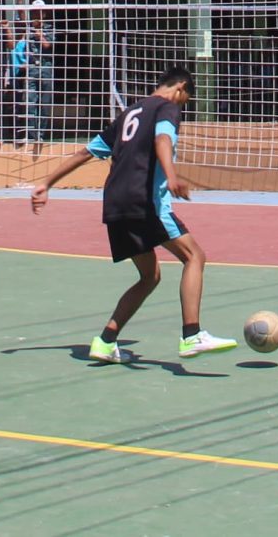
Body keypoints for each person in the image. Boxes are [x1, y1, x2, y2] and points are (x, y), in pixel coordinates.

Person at [29, 64, 236, 362]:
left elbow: (86, 152)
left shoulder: (128, 114)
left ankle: (105, 341)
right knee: (194, 257)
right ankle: (192, 335)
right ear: (180, 89)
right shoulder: (166, 108)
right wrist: (172, 175)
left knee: (150, 276)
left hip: (115, 205)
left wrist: (46, 183)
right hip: (144, 202)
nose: (182, 106)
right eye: (185, 100)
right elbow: (162, 140)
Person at [20, 1, 58, 148]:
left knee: (45, 102)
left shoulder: (50, 28)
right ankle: (31, 135)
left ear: (44, 14)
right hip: (31, 68)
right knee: (30, 101)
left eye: (40, 12)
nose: (37, 15)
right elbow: (20, 14)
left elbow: (48, 45)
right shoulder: (27, 27)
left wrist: (39, 34)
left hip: (46, 67)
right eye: (34, 12)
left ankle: (40, 134)